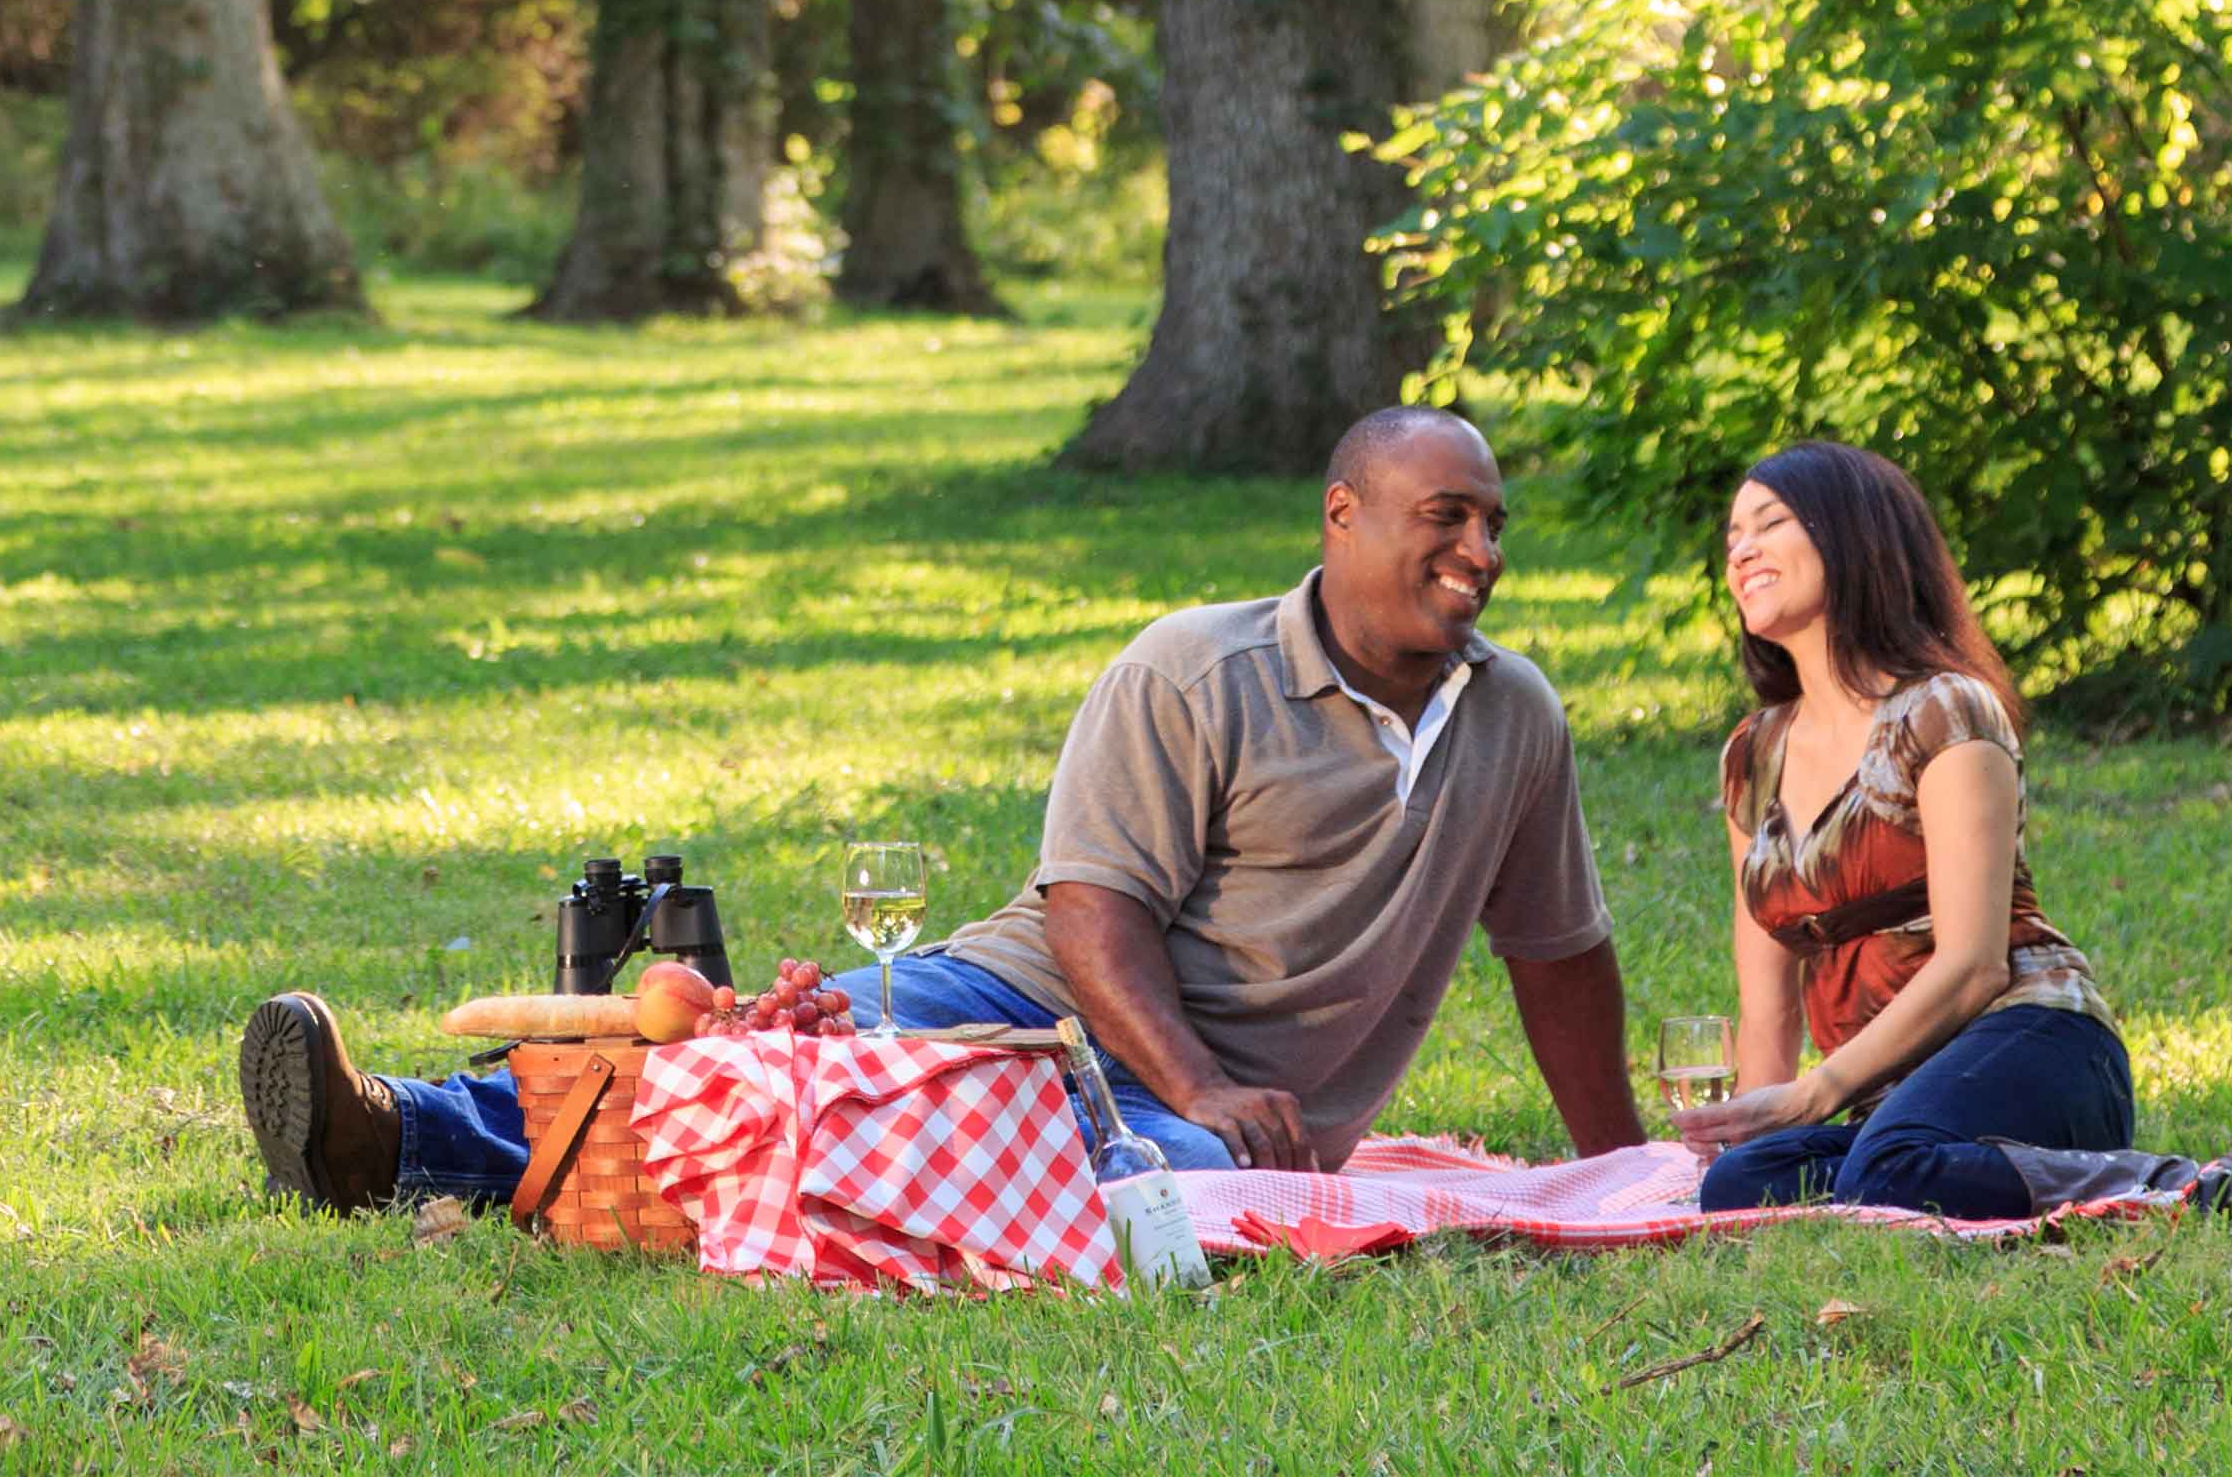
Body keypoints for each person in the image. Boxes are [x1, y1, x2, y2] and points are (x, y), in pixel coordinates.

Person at [238, 406, 1647, 1211]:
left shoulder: (1512, 714)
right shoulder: (1196, 669)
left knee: (1128, 1190)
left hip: (1202, 1129)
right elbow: (1094, 911)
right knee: (769, 1069)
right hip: (1029, 999)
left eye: (1495, 523)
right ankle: (394, 1133)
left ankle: (544, 1179)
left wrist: (1617, 1166)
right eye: (1446, 515)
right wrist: (1199, 1077)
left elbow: (1558, 952)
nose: (1482, 550)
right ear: (1342, 515)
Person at [1674, 441, 2232, 1228]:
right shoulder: (1751, 757)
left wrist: (1818, 1090)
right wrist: (1753, 1128)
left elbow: (1973, 966)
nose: (1742, 550)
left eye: (1769, 523)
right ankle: (1943, 1170)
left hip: (2032, 1038)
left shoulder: (1946, 712)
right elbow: (1769, 1009)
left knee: (1889, 1167)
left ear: (1850, 536)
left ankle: (2188, 1187)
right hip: (1892, 1104)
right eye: (1732, 537)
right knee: (1738, 1187)